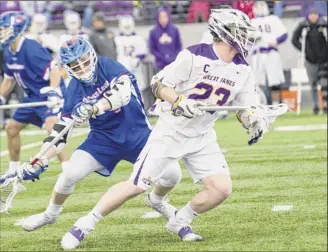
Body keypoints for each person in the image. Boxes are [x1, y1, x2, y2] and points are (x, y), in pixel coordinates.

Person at [47, 9, 272, 249]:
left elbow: (244, 108)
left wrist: (254, 121)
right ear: (225, 34)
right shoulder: (194, 56)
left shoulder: (243, 70)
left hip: (203, 134)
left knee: (221, 189)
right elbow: (158, 83)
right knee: (137, 185)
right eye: (241, 32)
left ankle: (179, 220)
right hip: (171, 131)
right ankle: (83, 225)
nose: (247, 37)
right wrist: (180, 101)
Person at [16, 37, 181, 250]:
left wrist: (95, 107)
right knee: (69, 174)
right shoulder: (74, 88)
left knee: (173, 174)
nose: (82, 68)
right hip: (103, 138)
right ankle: (50, 214)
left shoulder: (109, 66)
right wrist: (41, 157)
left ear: (92, 55)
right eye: (75, 65)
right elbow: (62, 130)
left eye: (84, 61)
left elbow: (122, 95)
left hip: (138, 134)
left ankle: (157, 201)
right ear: (68, 68)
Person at [0, 11, 69, 181]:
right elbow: (9, 80)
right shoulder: (9, 51)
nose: (1, 32)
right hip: (31, 98)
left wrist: (53, 91)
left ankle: (68, 170)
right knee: (11, 128)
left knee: (53, 130)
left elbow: (54, 70)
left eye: (4, 28)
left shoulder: (31, 48)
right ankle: (13, 170)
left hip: (47, 96)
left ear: (16, 28)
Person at [292, 7, 328, 115]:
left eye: (315, 14)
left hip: (324, 59)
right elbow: (294, 39)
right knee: (313, 84)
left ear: (318, 15)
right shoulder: (303, 25)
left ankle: (325, 105)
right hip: (310, 60)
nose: (313, 16)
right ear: (308, 15)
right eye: (311, 14)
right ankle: (315, 106)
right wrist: (305, 50)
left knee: (324, 83)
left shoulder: (323, 24)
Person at [251, 1, 288, 105]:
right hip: (257, 53)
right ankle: (261, 105)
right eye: (257, 5)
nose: (260, 7)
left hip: (271, 52)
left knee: (274, 80)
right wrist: (253, 38)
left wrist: (276, 41)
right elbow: (246, 39)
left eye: (262, 5)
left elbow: (284, 34)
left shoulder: (273, 19)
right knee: (258, 82)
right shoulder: (251, 22)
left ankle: (276, 105)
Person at [114, 15, 150, 109]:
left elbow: (143, 52)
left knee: (138, 89)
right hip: (122, 68)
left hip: (136, 69)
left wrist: (137, 59)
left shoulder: (139, 38)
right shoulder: (116, 39)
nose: (127, 29)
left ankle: (140, 110)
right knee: (122, 90)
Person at [149, 7, 182, 74]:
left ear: (168, 17)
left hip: (173, 64)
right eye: (161, 17)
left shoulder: (174, 30)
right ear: (158, 18)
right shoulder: (153, 32)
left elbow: (179, 46)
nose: (163, 19)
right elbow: (152, 49)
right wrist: (163, 58)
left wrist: (173, 57)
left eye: (165, 16)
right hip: (159, 65)